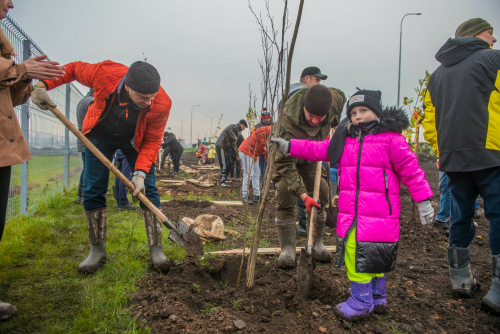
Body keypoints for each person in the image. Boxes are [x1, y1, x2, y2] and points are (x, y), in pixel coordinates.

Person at [273, 89, 434, 320]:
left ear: (376, 113)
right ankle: (378, 297)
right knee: (373, 255)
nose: (358, 116)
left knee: (356, 253)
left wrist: (423, 200)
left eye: (364, 111)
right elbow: (318, 149)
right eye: (354, 112)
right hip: (354, 212)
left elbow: (411, 171)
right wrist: (290, 146)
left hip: (379, 213)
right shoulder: (345, 139)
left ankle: (361, 302)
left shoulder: (391, 140)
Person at [31, 60, 173, 274]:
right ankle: (97, 250)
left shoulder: (161, 103)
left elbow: (152, 141)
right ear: (127, 87)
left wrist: (140, 173)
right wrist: (42, 86)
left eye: (151, 97)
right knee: (94, 187)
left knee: (149, 188)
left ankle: (156, 249)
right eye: (143, 98)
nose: (148, 102)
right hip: (99, 134)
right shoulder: (105, 73)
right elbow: (72, 70)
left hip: (135, 139)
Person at [422, 18, 500, 311]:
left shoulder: (436, 75)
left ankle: (460, 278)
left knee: (460, 214)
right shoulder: (493, 60)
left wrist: (441, 148)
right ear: (477, 35)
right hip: (492, 152)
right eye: (491, 33)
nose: (494, 38)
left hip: (453, 157)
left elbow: (429, 120)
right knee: (498, 215)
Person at [0, 0, 66, 321]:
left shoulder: (4, 44)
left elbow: (9, 98)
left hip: (3, 143)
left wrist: (26, 81)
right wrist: (22, 69)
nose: (11, 3)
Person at [271, 84, 345, 268]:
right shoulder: (286, 121)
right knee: (285, 192)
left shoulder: (333, 101)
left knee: (323, 192)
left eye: (320, 118)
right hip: (288, 156)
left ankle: (317, 241)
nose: (314, 121)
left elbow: (341, 96)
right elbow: (284, 166)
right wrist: (303, 196)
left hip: (312, 154)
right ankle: (287, 248)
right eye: (310, 115)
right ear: (304, 106)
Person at [238, 126, 272, 204]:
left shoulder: (274, 138)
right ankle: (245, 196)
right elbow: (259, 132)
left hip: (253, 153)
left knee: (257, 174)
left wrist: (270, 166)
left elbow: (267, 154)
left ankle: (257, 195)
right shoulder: (271, 129)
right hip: (247, 149)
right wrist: (265, 144)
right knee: (249, 174)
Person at [75, 89, 94, 204]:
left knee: (86, 168)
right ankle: (85, 195)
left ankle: (81, 194)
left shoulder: (83, 101)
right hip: (88, 140)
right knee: (89, 169)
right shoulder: (91, 102)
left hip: (83, 139)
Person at [215, 120, 247, 186]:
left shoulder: (236, 133)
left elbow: (233, 146)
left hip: (226, 148)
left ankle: (225, 178)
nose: (243, 129)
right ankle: (222, 180)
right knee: (224, 163)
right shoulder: (234, 127)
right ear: (242, 125)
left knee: (229, 163)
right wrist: (235, 138)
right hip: (221, 146)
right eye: (244, 128)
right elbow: (229, 131)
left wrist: (236, 155)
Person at [254, 109, 273, 183]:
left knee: (273, 169)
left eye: (268, 118)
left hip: (271, 151)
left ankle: (275, 185)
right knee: (262, 169)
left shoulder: (274, 125)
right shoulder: (257, 126)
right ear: (262, 119)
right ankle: (263, 184)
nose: (267, 120)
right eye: (266, 118)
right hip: (262, 152)